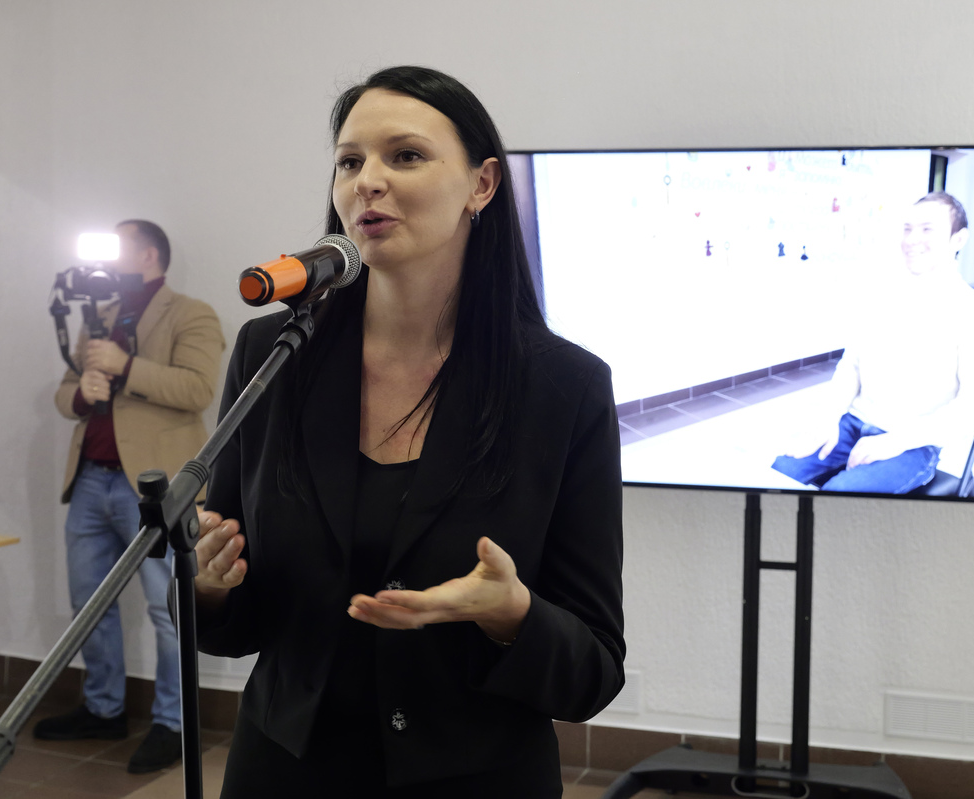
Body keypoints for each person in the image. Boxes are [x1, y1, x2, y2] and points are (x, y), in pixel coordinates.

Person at [194, 66, 625, 797]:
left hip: (477, 779)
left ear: (482, 184)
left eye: (406, 155)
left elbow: (593, 670)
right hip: (284, 772)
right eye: (349, 161)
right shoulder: (274, 355)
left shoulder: (564, 387)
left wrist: (512, 614)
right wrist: (208, 587)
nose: (368, 180)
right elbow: (238, 619)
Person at [40, 220, 225, 773]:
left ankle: (173, 723)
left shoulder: (191, 313)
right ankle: (103, 709)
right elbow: (66, 392)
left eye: (118, 244)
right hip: (89, 480)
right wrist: (81, 393)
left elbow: (198, 389)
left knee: (168, 609)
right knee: (88, 605)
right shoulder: (96, 316)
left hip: (153, 488)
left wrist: (125, 368)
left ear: (149, 255)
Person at [772, 191, 974, 493]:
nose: (912, 239)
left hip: (912, 444)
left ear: (958, 239)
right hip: (851, 425)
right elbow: (852, 366)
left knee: (837, 501)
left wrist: (896, 440)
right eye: (907, 229)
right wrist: (828, 417)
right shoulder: (880, 296)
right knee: (777, 476)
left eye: (927, 229)